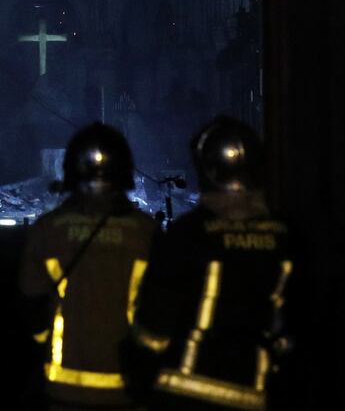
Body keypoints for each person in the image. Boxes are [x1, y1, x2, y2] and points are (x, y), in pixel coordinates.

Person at [121, 116, 292, 411]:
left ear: (204, 168)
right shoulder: (291, 237)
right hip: (264, 393)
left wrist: (135, 374)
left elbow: (153, 332)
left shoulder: (186, 236)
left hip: (188, 394)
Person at [19, 122, 159, 410]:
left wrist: (45, 339)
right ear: (124, 173)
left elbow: (31, 309)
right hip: (127, 390)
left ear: (70, 172)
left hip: (62, 390)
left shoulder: (48, 230)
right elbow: (162, 315)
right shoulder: (146, 233)